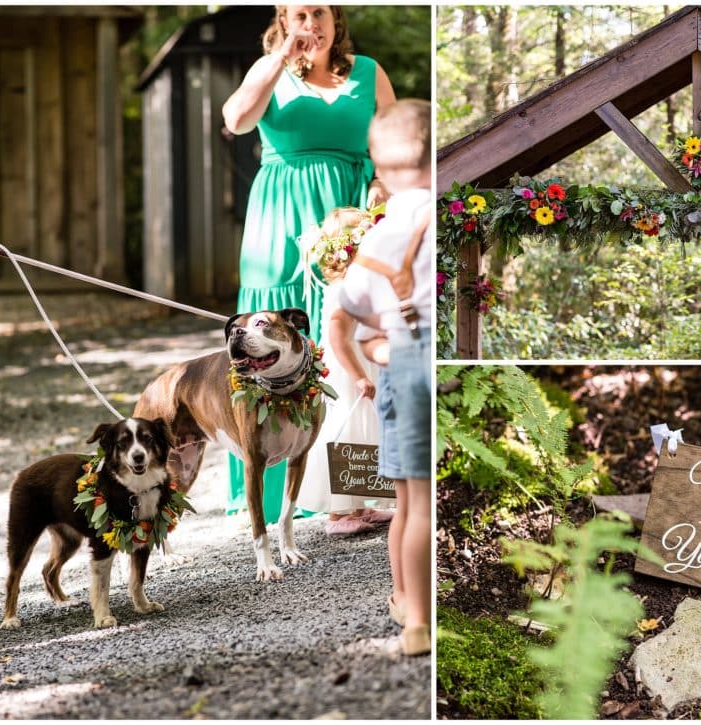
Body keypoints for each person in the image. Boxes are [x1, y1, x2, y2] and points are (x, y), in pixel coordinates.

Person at [221, 5, 395, 522]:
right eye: (300, 13)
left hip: (348, 212)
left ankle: (345, 491)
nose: (311, 23)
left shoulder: (366, 71)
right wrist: (280, 58)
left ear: (335, 18)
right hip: (280, 220)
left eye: (320, 12)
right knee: (272, 340)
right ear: (284, 17)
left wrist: (381, 189)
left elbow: (389, 142)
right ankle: (271, 490)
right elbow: (236, 119)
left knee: (345, 344)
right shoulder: (267, 67)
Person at [341, 99, 432, 656]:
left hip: (401, 358)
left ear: (378, 161)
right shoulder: (444, 212)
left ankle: (415, 619)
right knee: (421, 502)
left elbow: (349, 309)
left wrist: (378, 337)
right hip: (434, 358)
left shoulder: (378, 234)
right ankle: (414, 608)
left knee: (410, 502)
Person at [295, 208, 394, 534]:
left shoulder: (360, 283)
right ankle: (338, 514)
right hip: (346, 367)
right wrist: (359, 375)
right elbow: (338, 338)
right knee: (347, 426)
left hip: (362, 362)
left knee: (366, 427)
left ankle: (361, 503)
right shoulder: (344, 288)